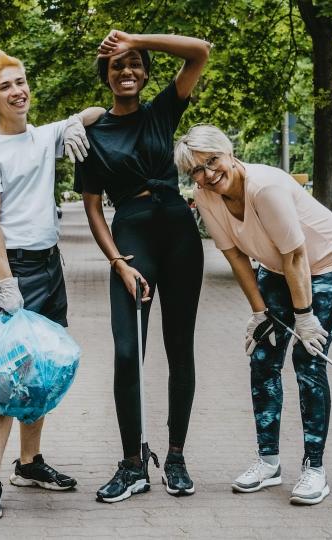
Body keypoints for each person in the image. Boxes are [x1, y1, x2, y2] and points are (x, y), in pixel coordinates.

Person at [173, 124, 332, 505]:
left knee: (308, 359)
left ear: (229, 153)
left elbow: (296, 256)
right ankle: (269, 462)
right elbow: (235, 256)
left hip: (327, 264)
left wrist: (303, 317)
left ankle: (314, 469)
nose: (208, 174)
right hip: (275, 268)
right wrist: (260, 312)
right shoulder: (205, 197)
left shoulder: (266, 187)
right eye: (197, 170)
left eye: (213, 161)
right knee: (263, 356)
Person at [0, 49, 106, 520]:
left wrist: (74, 125)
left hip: (50, 266)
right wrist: (6, 283)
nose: (17, 90)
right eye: (5, 86)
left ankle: (29, 464)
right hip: (16, 271)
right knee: (4, 378)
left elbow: (98, 111)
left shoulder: (45, 136)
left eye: (21, 81)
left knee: (40, 369)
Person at [74, 30, 210, 503]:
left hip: (178, 233)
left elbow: (200, 51)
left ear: (146, 74)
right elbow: (93, 207)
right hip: (131, 237)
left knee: (180, 348)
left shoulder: (161, 112)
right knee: (128, 352)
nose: (127, 71)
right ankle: (132, 464)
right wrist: (116, 261)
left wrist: (133, 38)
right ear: (106, 77)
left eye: (135, 64)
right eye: (117, 65)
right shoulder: (91, 134)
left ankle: (175, 456)